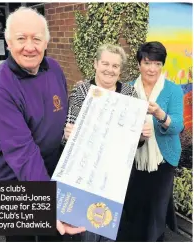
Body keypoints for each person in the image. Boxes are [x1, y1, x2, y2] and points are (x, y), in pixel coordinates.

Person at [0, 7, 85, 242]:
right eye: (21, 39)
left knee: (55, 233)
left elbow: (59, 111)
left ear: (46, 42)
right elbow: (22, 151)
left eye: (36, 39)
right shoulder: (0, 84)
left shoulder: (55, 68)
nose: (29, 46)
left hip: (50, 167)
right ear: (8, 43)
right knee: (23, 236)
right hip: (12, 175)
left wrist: (68, 129)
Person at [62, 43, 152, 242]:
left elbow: (136, 143)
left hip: (115, 175)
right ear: (95, 64)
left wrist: (143, 135)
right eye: (105, 63)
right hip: (86, 174)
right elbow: (66, 137)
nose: (109, 70)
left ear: (120, 70)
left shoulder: (129, 95)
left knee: (110, 224)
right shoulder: (81, 92)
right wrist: (68, 135)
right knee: (86, 229)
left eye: (115, 66)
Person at [123, 41, 184, 242]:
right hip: (135, 158)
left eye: (157, 64)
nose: (152, 69)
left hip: (163, 160)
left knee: (157, 210)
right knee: (136, 206)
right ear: (139, 63)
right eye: (147, 62)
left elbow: (177, 127)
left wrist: (160, 114)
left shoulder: (173, 90)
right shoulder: (128, 89)